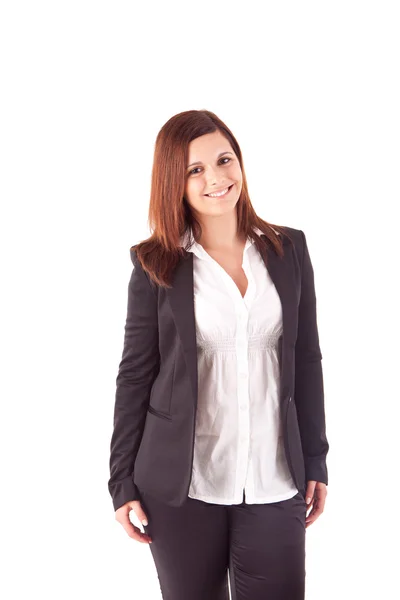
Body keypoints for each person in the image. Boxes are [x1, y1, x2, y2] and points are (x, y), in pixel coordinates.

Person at [108, 109, 329, 600]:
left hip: (275, 477)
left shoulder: (288, 250)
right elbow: (135, 374)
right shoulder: (155, 264)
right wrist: (121, 480)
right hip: (180, 485)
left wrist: (315, 459)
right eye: (195, 169)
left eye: (224, 160)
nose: (216, 178)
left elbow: (306, 359)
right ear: (175, 182)